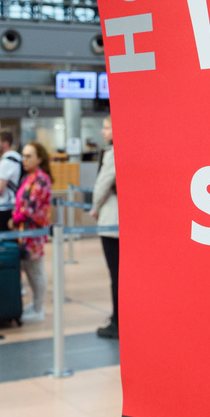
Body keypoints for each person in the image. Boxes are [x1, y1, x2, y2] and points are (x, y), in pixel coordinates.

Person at [11, 141, 52, 323]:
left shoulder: (41, 180)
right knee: (28, 268)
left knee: (36, 270)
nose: (24, 160)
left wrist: (14, 220)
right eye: (23, 156)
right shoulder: (28, 178)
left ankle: (38, 308)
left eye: (29, 156)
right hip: (23, 233)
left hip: (33, 232)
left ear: (39, 159)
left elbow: (30, 208)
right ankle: (35, 304)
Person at [89, 116, 119, 339]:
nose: (102, 131)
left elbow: (103, 184)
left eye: (107, 127)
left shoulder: (113, 153)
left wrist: (94, 207)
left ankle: (117, 321)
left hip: (112, 220)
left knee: (116, 274)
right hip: (124, 221)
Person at [0, 129, 23, 236]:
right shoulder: (17, 157)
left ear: (6, 143)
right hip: (14, 204)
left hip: (5, 207)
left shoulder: (5, 162)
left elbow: (0, 189)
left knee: (6, 241)